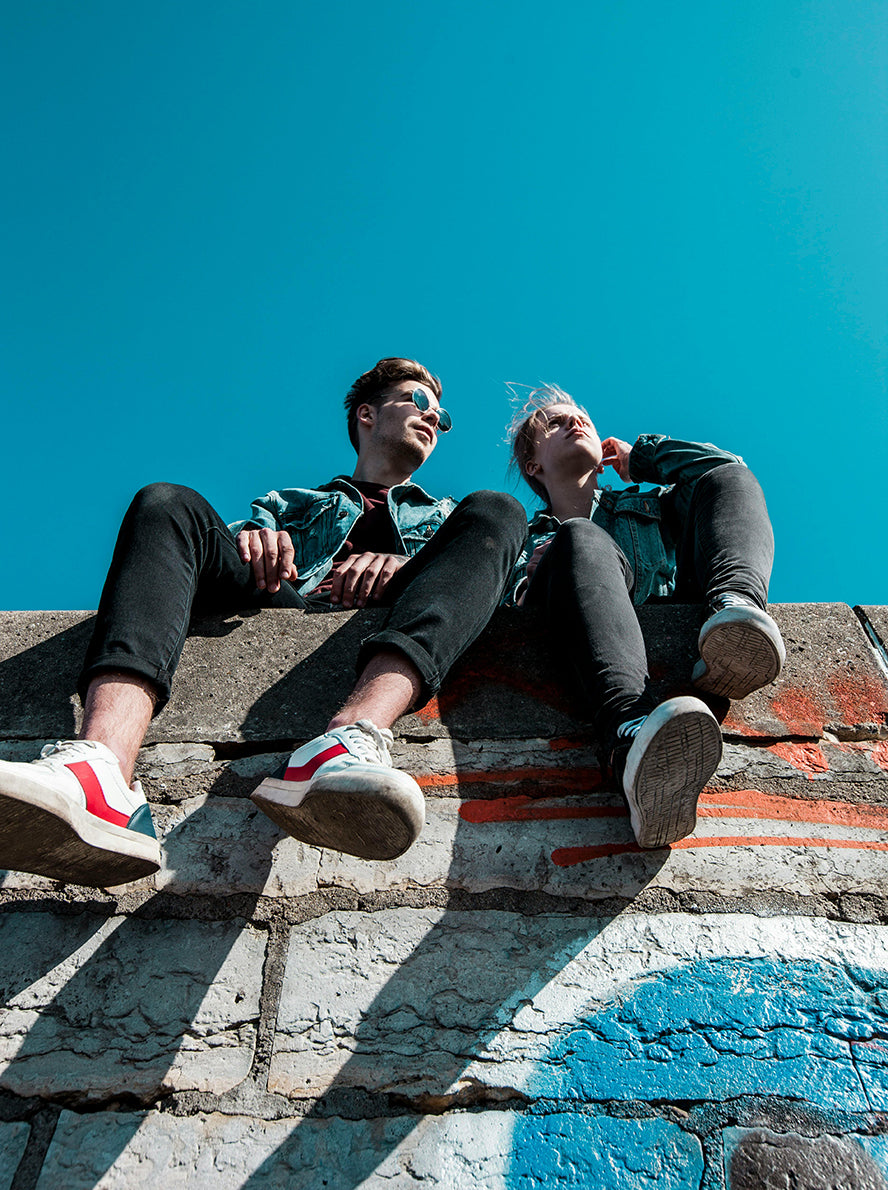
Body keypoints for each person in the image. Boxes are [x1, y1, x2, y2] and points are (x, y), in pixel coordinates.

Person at [0, 358, 525, 887]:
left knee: (500, 510)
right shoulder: (288, 503)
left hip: (390, 624)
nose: (435, 418)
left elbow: (503, 587)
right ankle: (102, 774)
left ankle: (349, 741)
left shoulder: (450, 517)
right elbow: (197, 561)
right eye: (422, 401)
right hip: (288, 599)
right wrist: (253, 540)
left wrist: (413, 567)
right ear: (367, 414)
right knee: (166, 503)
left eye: (444, 416)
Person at [508, 385, 784, 850]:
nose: (576, 423)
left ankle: (735, 611)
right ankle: (633, 741)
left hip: (671, 616)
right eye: (556, 423)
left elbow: (722, 469)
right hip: (584, 649)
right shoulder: (521, 536)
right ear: (533, 465)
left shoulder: (650, 508)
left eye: (583, 419)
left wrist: (645, 458)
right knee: (579, 536)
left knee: (731, 478)